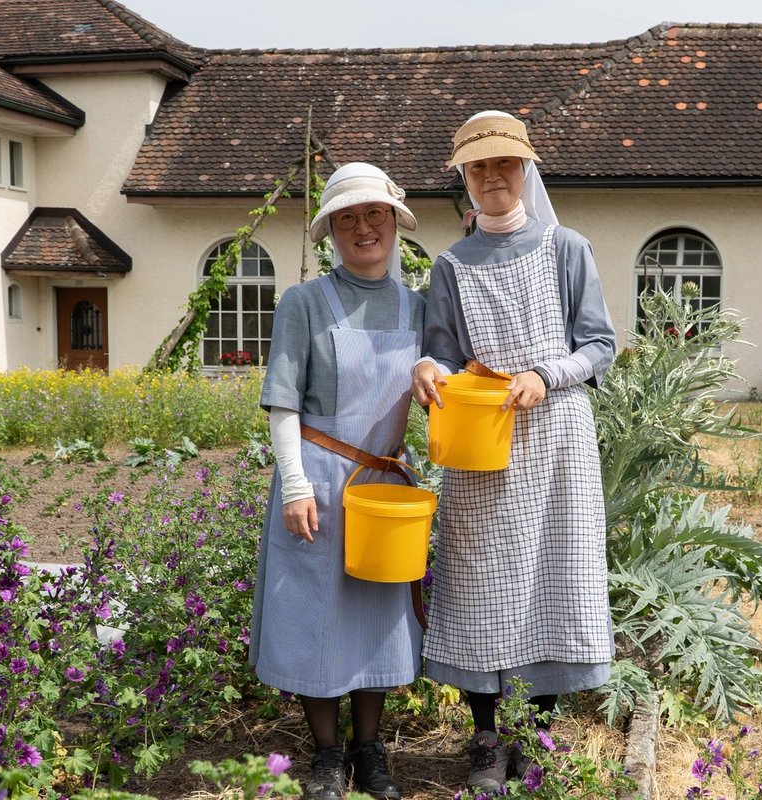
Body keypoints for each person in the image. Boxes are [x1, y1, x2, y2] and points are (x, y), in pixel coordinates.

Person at [411, 111, 617, 790]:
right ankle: (484, 740)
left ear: (526, 169)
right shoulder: (450, 265)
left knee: (554, 581)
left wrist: (545, 374)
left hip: (557, 437)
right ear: (464, 179)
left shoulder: (567, 248)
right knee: (479, 583)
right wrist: (428, 371)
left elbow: (600, 346)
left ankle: (534, 732)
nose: (493, 177)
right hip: (481, 444)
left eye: (504, 164)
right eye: (479, 168)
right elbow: (439, 349)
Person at [250, 162, 425, 800]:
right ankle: (327, 756)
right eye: (347, 218)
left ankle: (369, 749)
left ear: (394, 222)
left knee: (376, 611)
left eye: (374, 213)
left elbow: (441, 369)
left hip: (385, 486)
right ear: (331, 231)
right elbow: (283, 404)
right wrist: (294, 483)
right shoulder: (303, 301)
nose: (363, 228)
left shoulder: (419, 303)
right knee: (314, 615)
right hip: (319, 482)